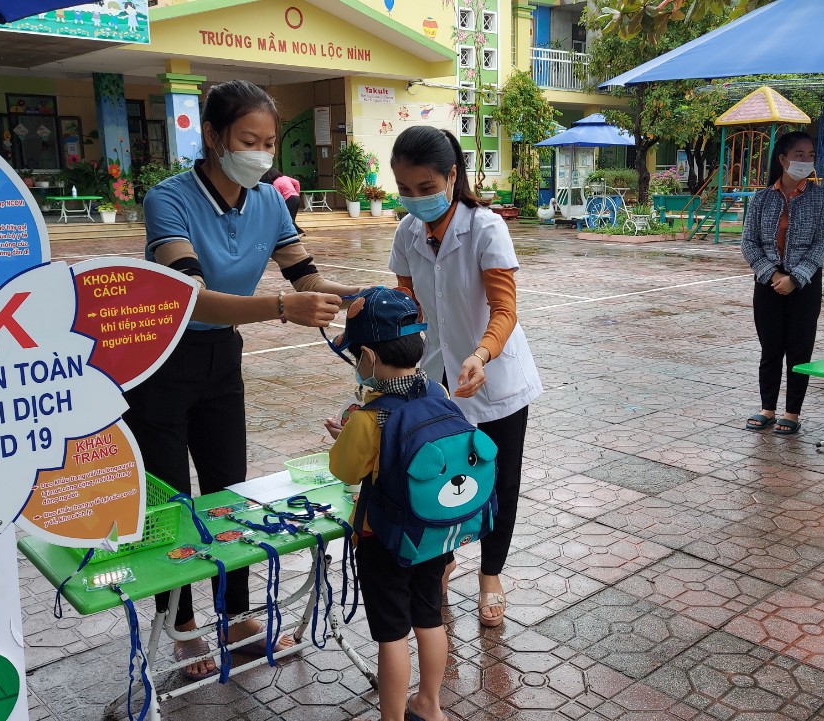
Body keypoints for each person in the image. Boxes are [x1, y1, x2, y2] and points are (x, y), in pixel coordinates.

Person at [127, 79, 365, 680]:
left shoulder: (267, 202)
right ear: (212, 136)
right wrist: (281, 309)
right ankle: (179, 622)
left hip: (220, 364)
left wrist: (358, 296)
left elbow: (303, 276)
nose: (260, 154)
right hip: (158, 363)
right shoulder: (169, 199)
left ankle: (233, 613)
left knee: (228, 491)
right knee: (170, 502)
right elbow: (189, 298)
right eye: (247, 140)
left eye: (268, 143)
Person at [386, 125, 542, 627]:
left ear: (453, 176)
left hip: (494, 376)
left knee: (499, 480)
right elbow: (407, 303)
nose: (416, 200)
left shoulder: (486, 227)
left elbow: (505, 308)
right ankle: (446, 556)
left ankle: (490, 573)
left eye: (427, 188)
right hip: (437, 382)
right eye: (405, 190)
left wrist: (481, 354)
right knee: (440, 475)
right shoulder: (407, 231)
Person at [326, 287, 452, 721]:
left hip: (387, 541)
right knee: (429, 619)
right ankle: (430, 706)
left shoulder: (368, 418)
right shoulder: (438, 392)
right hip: (434, 533)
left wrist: (343, 436)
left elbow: (344, 470)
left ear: (366, 357)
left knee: (393, 635)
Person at [740, 131, 824, 436]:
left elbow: (822, 244)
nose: (805, 161)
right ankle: (767, 408)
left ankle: (792, 412)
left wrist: (796, 278)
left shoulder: (822, 197)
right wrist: (772, 274)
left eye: (810, 156)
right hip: (768, 282)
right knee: (770, 349)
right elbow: (748, 243)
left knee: (799, 349)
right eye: (799, 155)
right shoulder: (762, 198)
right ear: (783, 159)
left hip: (804, 284)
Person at [262, 167, 303, 235]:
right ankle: (292, 232)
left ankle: (299, 232)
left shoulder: (275, 183)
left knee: (287, 217)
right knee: (291, 217)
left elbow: (277, 196)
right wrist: (297, 193)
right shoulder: (285, 177)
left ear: (270, 175)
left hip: (289, 199)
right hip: (296, 198)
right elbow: (297, 182)